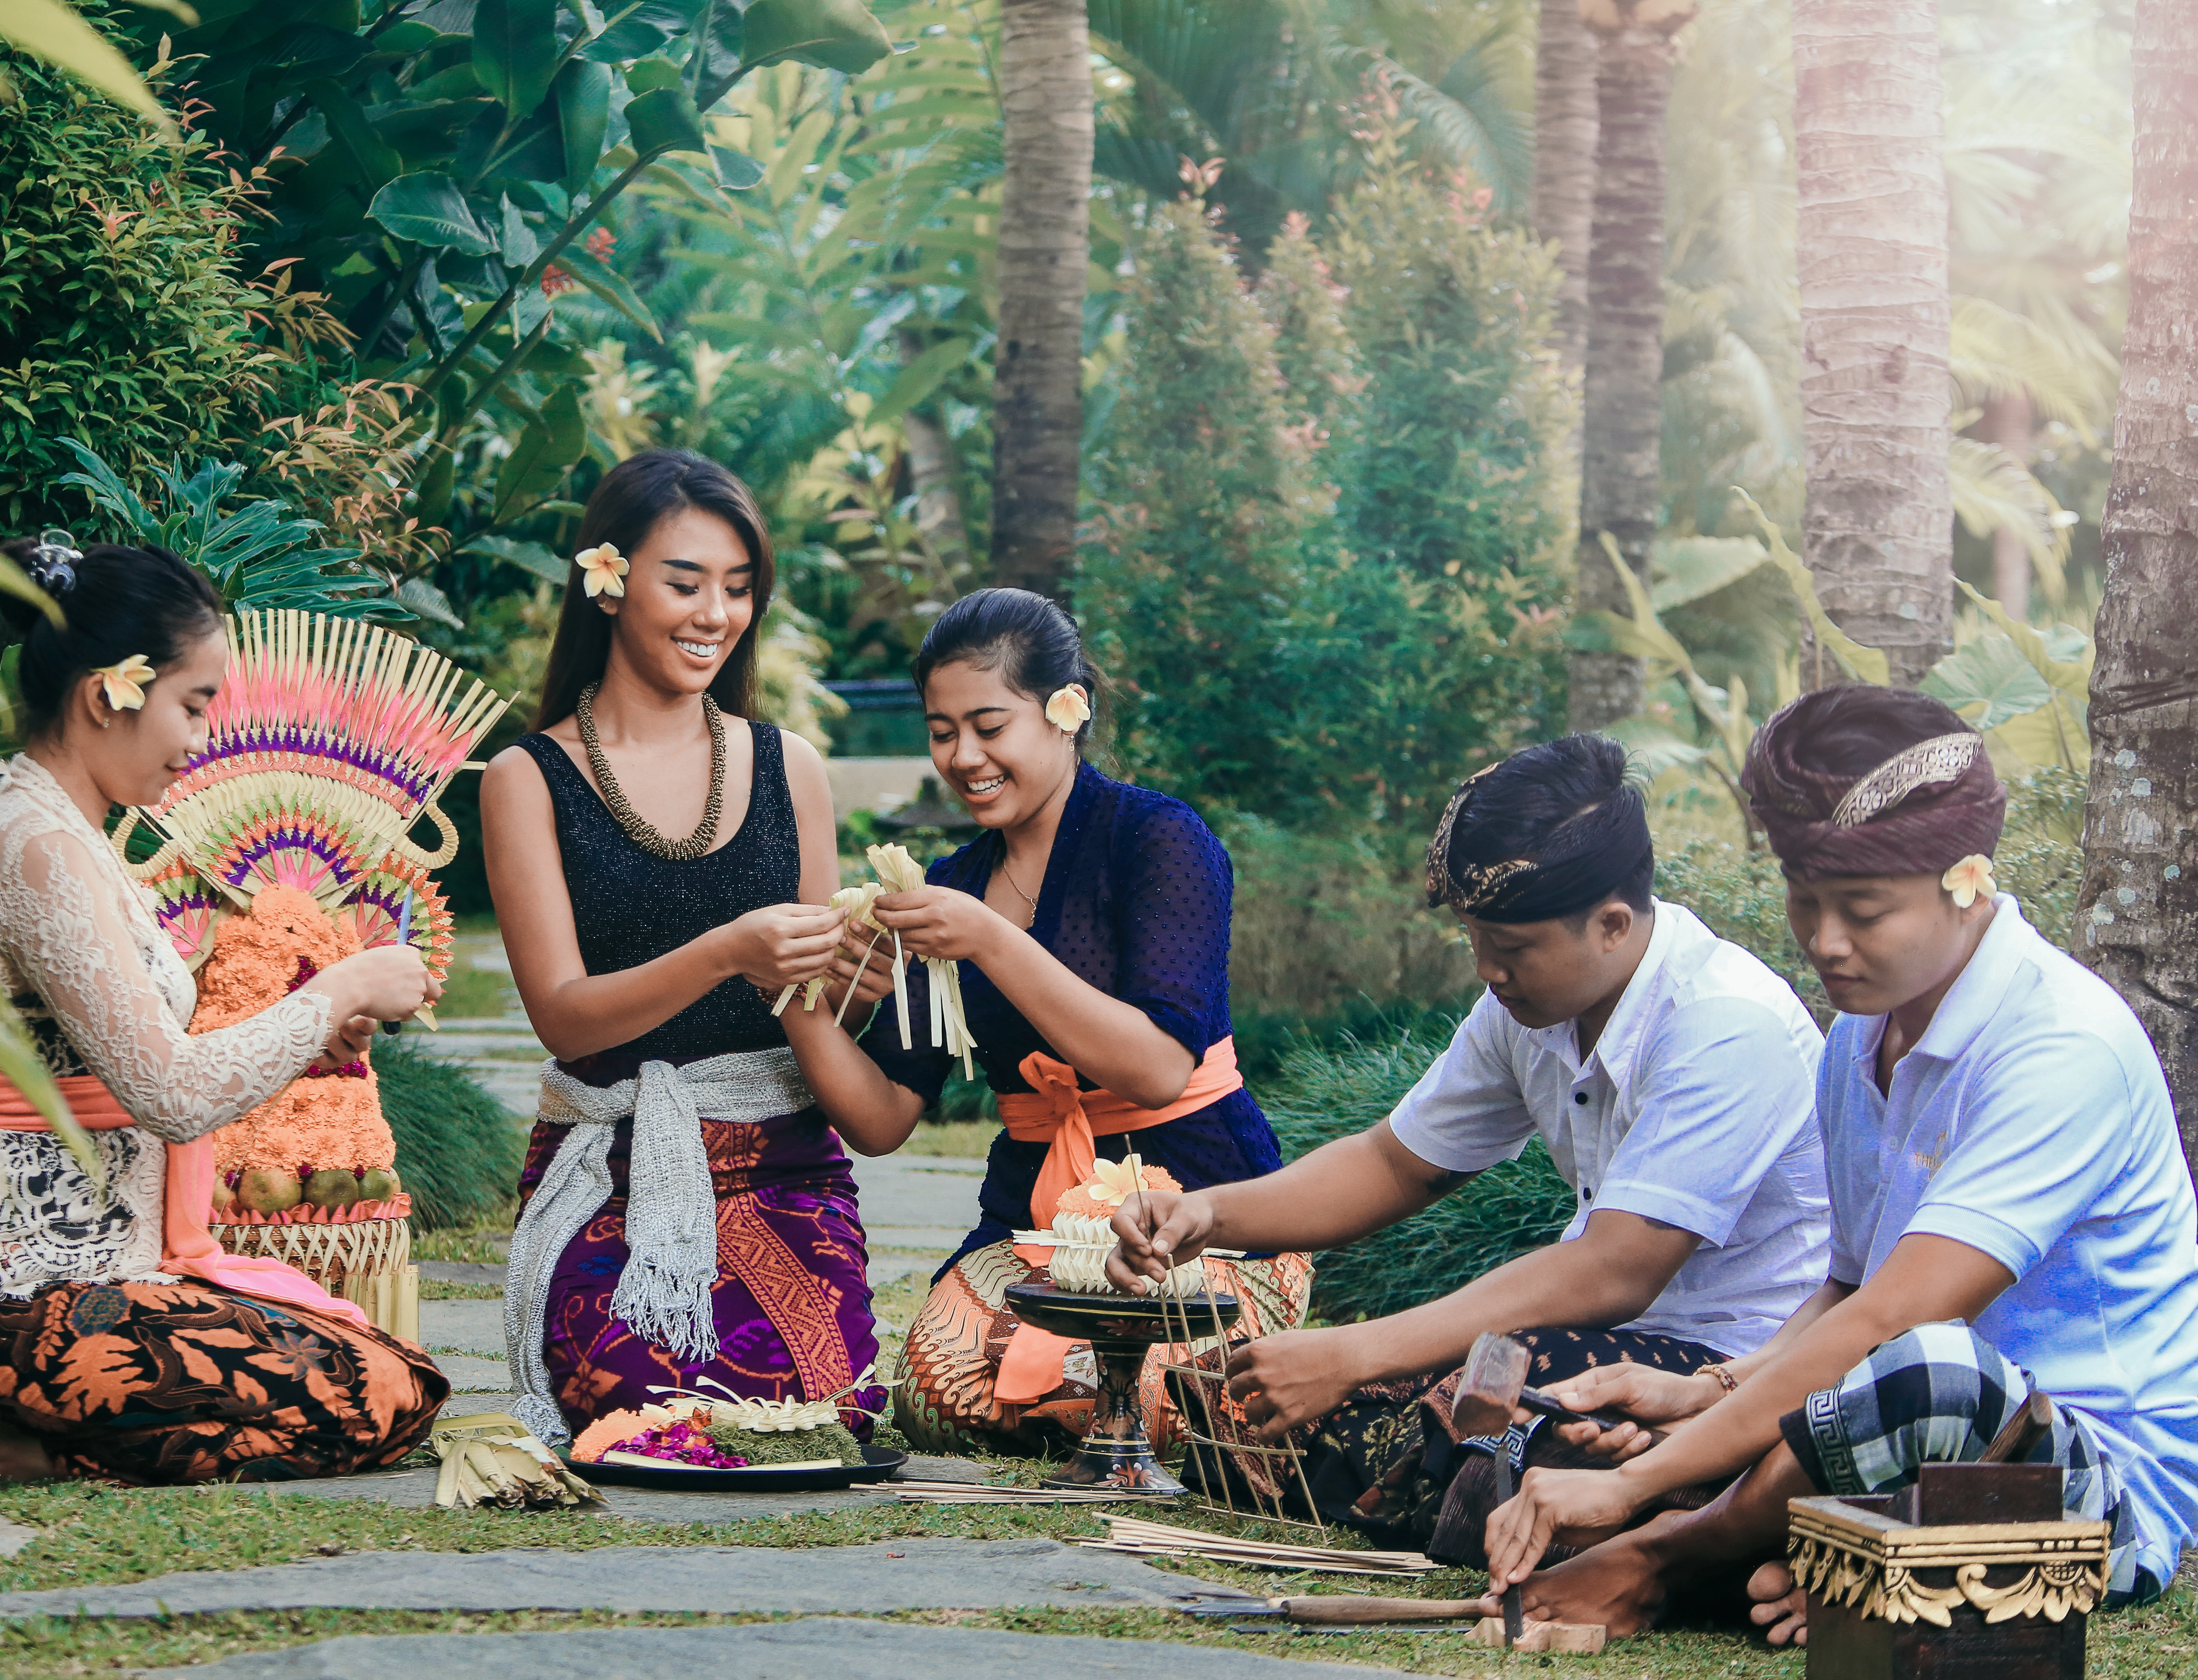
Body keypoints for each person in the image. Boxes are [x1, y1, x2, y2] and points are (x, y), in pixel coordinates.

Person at [1479, 686, 2198, 1642]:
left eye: (1862, 911)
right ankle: (1858, 1553)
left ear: (1967, 882)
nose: (1824, 942)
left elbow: (1895, 1320)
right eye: (1805, 900)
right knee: (1639, 1415)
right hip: (1903, 1431)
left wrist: (1645, 1480)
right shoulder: (1860, 1037)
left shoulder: (2062, 1045)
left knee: (1936, 1369)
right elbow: (1847, 1290)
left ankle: (1670, 1558)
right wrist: (1713, 1392)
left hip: (2094, 1489)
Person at [1112, 735, 1833, 1555]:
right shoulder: (1528, 1006)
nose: (1488, 970)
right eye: (1475, 939)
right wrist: (1208, 1213)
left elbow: (1615, 1271)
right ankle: (1441, 1480)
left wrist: (1355, 1352)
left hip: (1728, 1364)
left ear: (1612, 925)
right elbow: (1394, 1164)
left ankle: (1518, 1485)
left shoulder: (1725, 1026)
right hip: (1593, 1344)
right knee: (1243, 1392)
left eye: (1513, 948)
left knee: (1508, 1395)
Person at [0, 536, 448, 1485]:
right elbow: (171, 1095)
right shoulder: (39, 852)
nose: (200, 739)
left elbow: (144, 1059)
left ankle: (44, 1440)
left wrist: (311, 1038)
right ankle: (31, 1450)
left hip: (87, 1279)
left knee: (392, 1373)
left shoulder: (70, 836)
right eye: (194, 704)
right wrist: (337, 990)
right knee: (375, 1393)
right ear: (108, 696)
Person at [781, 587, 1311, 1456]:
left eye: (989, 726)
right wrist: (796, 995)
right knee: (937, 1392)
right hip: (1036, 1223)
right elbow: (881, 1119)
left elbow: (1158, 1071)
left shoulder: (1159, 839)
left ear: (1067, 710)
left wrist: (991, 940)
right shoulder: (951, 883)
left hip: (1203, 1205)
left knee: (1159, 1399)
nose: (964, 757)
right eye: (942, 731)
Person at [484, 448, 884, 1446]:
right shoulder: (526, 778)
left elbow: (816, 1006)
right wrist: (725, 951)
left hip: (786, 1166)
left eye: (739, 588)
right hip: (614, 1165)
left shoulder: (790, 766)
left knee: (824, 1414)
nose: (717, 614)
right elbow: (564, 1016)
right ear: (609, 582)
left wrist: (863, 984)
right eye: (687, 583)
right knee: (649, 1413)